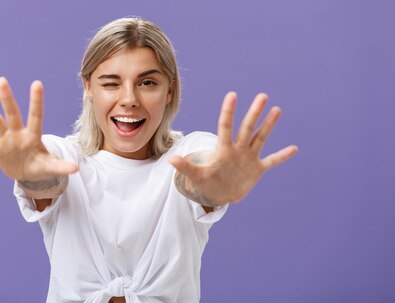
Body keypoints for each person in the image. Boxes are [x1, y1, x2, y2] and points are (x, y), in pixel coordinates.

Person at [0, 17, 297, 302]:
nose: (129, 99)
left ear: (170, 89)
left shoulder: (186, 153)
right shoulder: (63, 157)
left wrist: (217, 184)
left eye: (147, 83)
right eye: (111, 83)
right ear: (89, 86)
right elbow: (47, 178)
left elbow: (201, 171)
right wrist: (30, 175)